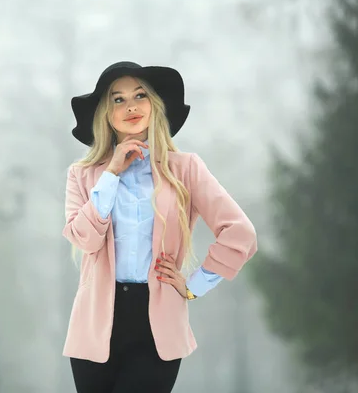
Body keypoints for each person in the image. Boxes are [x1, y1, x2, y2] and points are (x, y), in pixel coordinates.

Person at [62, 61, 258, 393]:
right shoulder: (83, 174)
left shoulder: (186, 169)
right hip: (94, 326)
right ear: (105, 114)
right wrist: (110, 174)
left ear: (154, 104)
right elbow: (85, 239)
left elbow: (240, 232)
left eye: (140, 95)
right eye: (118, 99)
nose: (131, 106)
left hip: (158, 327)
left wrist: (196, 285)